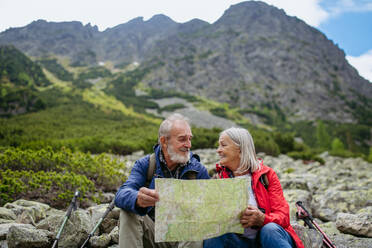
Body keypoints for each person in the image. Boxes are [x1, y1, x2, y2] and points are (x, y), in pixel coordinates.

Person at [115, 113, 210, 248]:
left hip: (185, 239)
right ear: (164, 141)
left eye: (190, 139)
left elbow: (211, 209)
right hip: (154, 235)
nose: (188, 145)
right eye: (182, 139)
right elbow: (121, 194)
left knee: (194, 225)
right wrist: (137, 198)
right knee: (128, 210)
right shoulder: (146, 165)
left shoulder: (198, 170)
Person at [203, 127, 304, 248]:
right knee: (215, 232)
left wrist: (262, 219)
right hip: (239, 242)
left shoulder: (266, 176)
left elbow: (284, 217)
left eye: (223, 145)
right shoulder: (218, 180)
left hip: (268, 240)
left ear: (240, 149)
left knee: (270, 229)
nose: (218, 150)